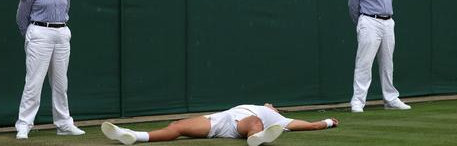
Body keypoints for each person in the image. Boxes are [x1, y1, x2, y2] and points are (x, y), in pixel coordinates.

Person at [15, 0, 85, 139]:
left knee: (61, 83)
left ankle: (64, 124)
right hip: (40, 33)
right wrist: (31, 34)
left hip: (61, 33)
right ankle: (24, 125)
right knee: (34, 82)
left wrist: (61, 30)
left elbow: (66, 9)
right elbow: (21, 15)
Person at [347, 0, 411, 113]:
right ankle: (358, 101)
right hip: (369, 21)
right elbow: (353, 4)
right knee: (364, 63)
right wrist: (362, 22)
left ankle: (390, 99)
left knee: (387, 62)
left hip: (388, 22)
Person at [101, 103, 338, 145]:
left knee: (254, 121)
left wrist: (328, 122)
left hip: (242, 126)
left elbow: (312, 125)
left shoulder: (280, 120)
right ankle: (134, 135)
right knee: (178, 125)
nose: (271, 105)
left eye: (273, 106)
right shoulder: (261, 105)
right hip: (219, 121)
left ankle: (255, 138)